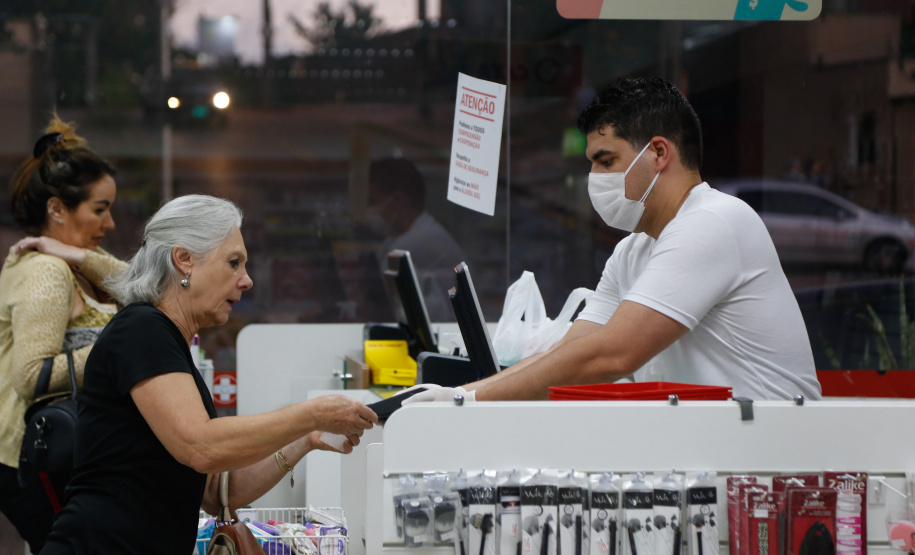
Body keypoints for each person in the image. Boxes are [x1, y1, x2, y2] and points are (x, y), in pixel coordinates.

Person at [405, 77, 822, 402]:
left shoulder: (713, 222)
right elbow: (566, 354)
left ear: (659, 153)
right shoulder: (633, 251)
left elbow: (610, 355)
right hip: (718, 460)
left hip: (774, 468)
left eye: (607, 161)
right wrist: (459, 396)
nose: (596, 179)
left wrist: (467, 399)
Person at [40, 194, 378, 555]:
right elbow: (200, 446)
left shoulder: (166, 341)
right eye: (234, 263)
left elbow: (219, 493)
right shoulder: (141, 330)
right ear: (184, 260)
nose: (246, 281)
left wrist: (305, 438)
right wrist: (311, 413)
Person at [0, 116, 126, 554]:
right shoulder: (47, 273)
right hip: (39, 455)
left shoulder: (72, 262)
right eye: (99, 209)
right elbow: (30, 375)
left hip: (63, 452)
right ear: (57, 210)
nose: (109, 223)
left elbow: (145, 292)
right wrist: (115, 353)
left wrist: (76, 252)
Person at [367, 157, 468, 321]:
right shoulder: (423, 230)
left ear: (399, 201)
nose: (370, 211)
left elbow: (383, 305)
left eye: (373, 201)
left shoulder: (411, 244)